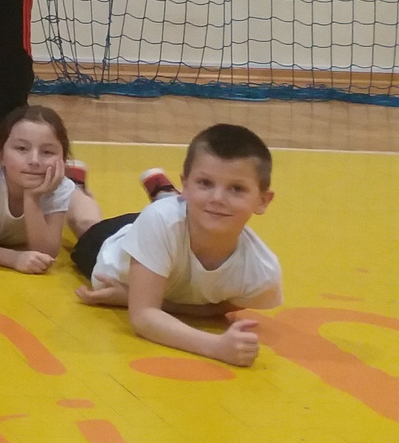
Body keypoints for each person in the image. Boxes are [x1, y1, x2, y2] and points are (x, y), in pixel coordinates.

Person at [73, 125, 281, 367]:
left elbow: (214, 310)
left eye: (236, 189)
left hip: (177, 222)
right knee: (85, 224)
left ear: (263, 201)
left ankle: (165, 192)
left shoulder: (262, 273)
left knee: (183, 211)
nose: (218, 198)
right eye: (205, 183)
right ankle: (73, 187)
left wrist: (131, 297)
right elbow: (143, 318)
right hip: (115, 242)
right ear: (186, 185)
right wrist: (216, 346)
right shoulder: (158, 221)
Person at [0, 104, 104, 273]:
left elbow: (46, 254)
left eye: (47, 152)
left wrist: (32, 198)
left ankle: (77, 184)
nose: (34, 160)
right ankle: (76, 182)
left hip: (54, 183)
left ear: (63, 159)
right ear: (0, 155)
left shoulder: (59, 188)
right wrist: (14, 258)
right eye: (21, 148)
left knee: (89, 227)